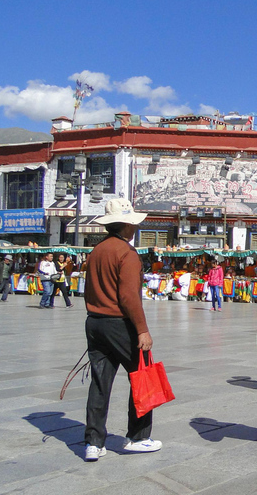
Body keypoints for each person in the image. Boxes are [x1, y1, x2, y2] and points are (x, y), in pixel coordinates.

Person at [83, 198, 161, 462]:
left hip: (95, 322)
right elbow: (129, 297)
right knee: (142, 375)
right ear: (126, 225)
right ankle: (138, 437)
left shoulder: (97, 251)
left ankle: (94, 442)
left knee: (100, 382)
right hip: (119, 323)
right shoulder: (126, 253)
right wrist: (142, 330)